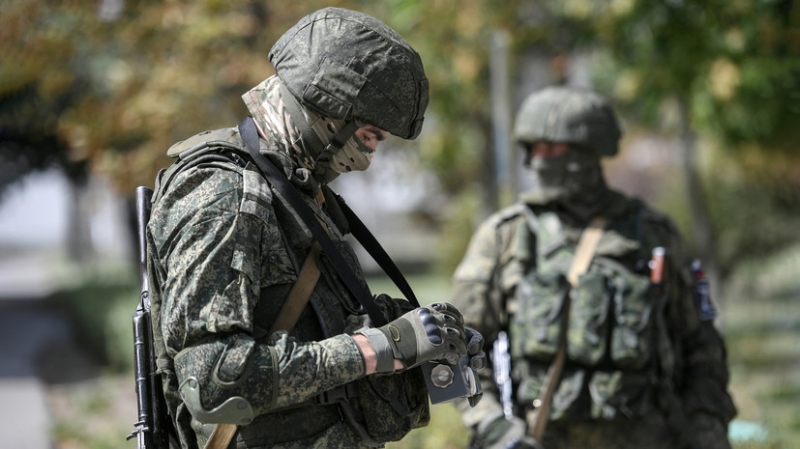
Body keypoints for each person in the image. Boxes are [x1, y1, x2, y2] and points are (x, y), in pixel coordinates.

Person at [145, 7, 484, 449]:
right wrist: (379, 348)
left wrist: (425, 335)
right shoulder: (226, 196)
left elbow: (310, 322)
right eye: (369, 136)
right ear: (328, 113)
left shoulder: (292, 193)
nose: (367, 160)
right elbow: (215, 382)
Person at [451, 86, 737, 449]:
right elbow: (456, 349)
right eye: (533, 150)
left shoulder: (652, 235)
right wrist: (495, 429)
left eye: (551, 149)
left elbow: (702, 346)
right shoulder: (505, 237)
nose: (538, 162)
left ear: (588, 152)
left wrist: (707, 429)